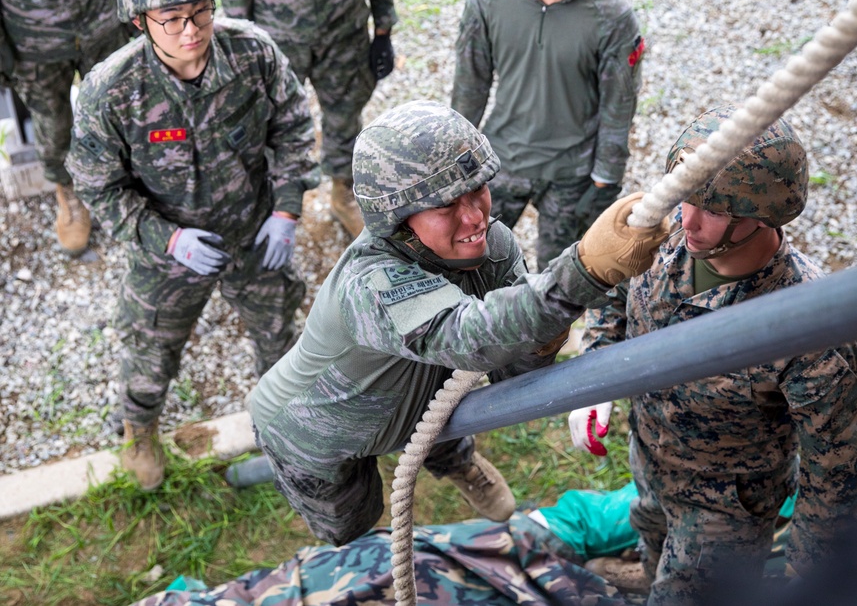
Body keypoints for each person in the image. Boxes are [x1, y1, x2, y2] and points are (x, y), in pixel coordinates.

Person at [247, 99, 671, 547]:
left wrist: (545, 337)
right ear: (397, 218)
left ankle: (458, 465)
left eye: (477, 189)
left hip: (420, 397)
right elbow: (471, 340)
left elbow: (512, 373)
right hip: (311, 432)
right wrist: (583, 271)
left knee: (440, 422)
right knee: (355, 529)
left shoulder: (492, 248)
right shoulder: (369, 283)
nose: (475, 216)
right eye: (446, 204)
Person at [568, 106, 857, 605]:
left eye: (714, 208)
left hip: (726, 509)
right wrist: (596, 374)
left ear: (764, 212)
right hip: (650, 458)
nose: (688, 219)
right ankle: (651, 576)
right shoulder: (661, 239)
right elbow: (610, 292)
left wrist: (815, 563)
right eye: (685, 196)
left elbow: (837, 460)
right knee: (651, 539)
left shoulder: (809, 323)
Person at [65, 0, 317, 491]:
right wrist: (166, 239)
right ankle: (139, 428)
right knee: (150, 343)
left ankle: (287, 427)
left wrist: (287, 208)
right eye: (173, 18)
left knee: (279, 331)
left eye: (202, 11)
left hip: (253, 230)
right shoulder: (112, 91)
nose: (191, 30)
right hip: (167, 250)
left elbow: (295, 128)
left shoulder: (252, 52)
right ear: (139, 21)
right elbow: (98, 186)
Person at [451, 0, 644, 271]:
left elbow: (619, 105)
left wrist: (606, 179)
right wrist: (453, 158)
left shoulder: (612, 15)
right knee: (467, 267)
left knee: (560, 285)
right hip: (501, 162)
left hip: (572, 174)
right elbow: (471, 82)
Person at [211, 0, 400, 238]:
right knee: (267, 120)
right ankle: (274, 202)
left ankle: (343, 192)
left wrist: (383, 25)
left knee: (345, 111)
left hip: (344, 24)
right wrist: (241, 39)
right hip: (274, 34)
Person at [0, 0, 135, 255]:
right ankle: (69, 191)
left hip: (99, 17)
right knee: (54, 125)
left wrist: (138, 4)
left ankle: (126, 183)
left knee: (120, 109)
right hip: (32, 40)